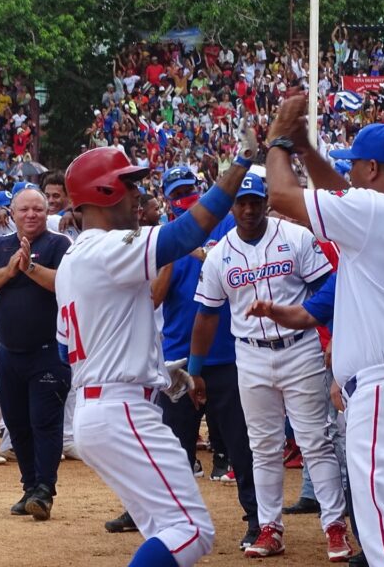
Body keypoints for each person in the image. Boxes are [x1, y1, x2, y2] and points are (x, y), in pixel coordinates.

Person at [265, 105, 384, 566]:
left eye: (355, 164)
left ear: (372, 168)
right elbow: (344, 195)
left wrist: (278, 142)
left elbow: (282, 196)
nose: (349, 175)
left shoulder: (376, 213)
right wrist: (308, 149)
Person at [55, 123, 253, 566]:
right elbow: (186, 235)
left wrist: (163, 376)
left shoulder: (74, 258)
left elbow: (86, 344)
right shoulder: (105, 248)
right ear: (104, 192)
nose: (136, 196)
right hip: (121, 410)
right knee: (191, 531)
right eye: (128, 185)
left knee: (166, 529)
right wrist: (240, 164)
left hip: (104, 407)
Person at [190, 170, 350, 561]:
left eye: (255, 201)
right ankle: (269, 528)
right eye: (241, 202)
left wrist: (334, 341)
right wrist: (195, 367)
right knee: (262, 447)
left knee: (315, 441)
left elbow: (328, 290)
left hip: (300, 349)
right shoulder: (220, 254)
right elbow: (207, 314)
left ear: (267, 201)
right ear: (232, 205)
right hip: (251, 354)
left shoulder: (295, 238)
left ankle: (334, 526)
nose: (248, 208)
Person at [137, 165, 260, 550]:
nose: (185, 196)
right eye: (177, 192)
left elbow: (221, 261)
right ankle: (161, 521)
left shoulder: (224, 225)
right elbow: (154, 297)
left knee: (241, 445)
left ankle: (257, 519)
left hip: (226, 354)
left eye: (190, 188)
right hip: (176, 359)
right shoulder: (163, 239)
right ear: (167, 196)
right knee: (172, 449)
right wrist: (172, 256)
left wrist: (192, 246)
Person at [0, 187, 72, 520]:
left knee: (45, 422)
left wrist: (29, 268)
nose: (31, 215)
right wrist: (10, 269)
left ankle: (44, 489)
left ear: (46, 214)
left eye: (38, 210)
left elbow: (66, 284)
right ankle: (30, 486)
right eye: (24, 210)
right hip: (9, 354)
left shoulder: (59, 245)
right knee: (17, 423)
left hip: (48, 352)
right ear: (12, 213)